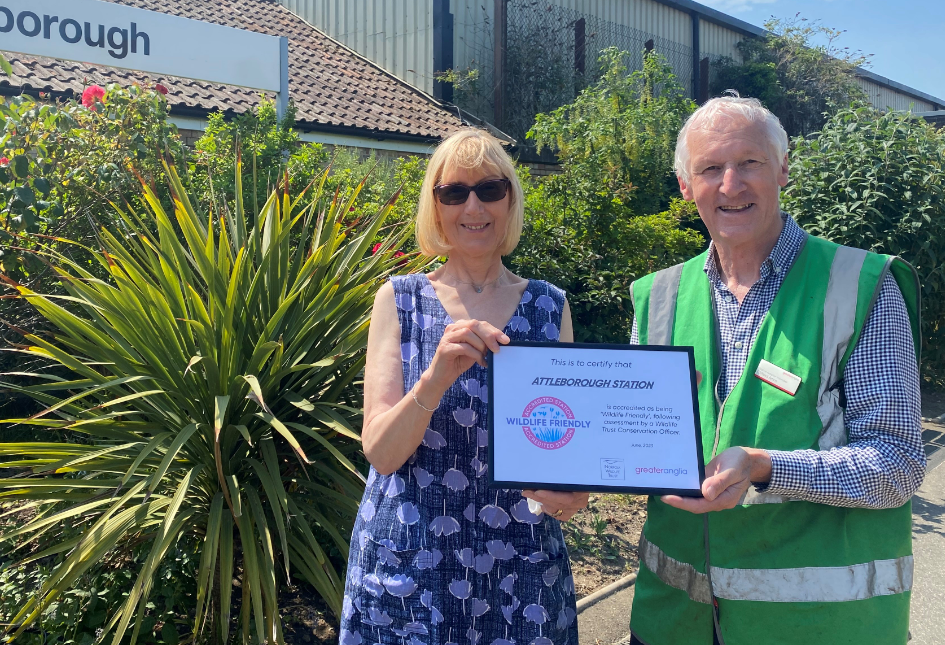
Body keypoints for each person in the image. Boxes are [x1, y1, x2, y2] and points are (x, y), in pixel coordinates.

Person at [626, 94, 926, 645]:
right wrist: (569, 480)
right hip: (673, 621)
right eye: (710, 168)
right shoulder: (658, 297)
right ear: (685, 185)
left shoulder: (858, 286)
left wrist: (765, 467)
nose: (731, 184)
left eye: (750, 163)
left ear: (783, 169)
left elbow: (898, 463)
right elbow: (634, 443)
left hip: (817, 628)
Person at [340, 129, 589, 645]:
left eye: (489, 189)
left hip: (522, 566)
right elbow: (381, 453)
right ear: (436, 208)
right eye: (454, 192)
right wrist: (434, 378)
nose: (473, 206)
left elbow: (564, 454)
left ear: (510, 200)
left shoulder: (549, 306)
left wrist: (572, 493)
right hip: (412, 567)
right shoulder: (399, 300)